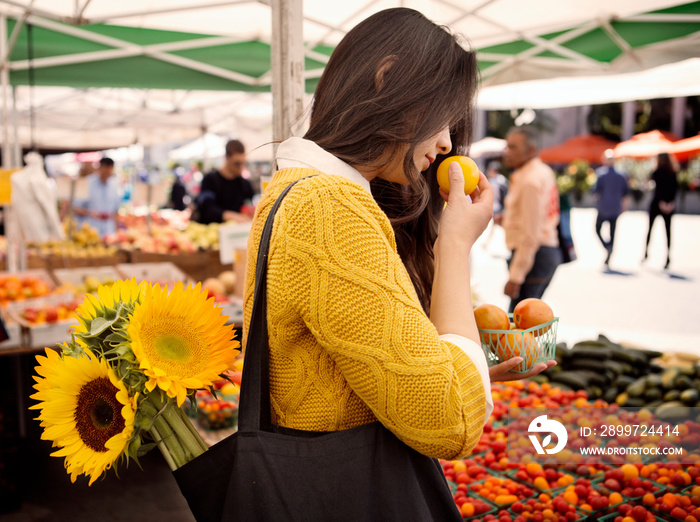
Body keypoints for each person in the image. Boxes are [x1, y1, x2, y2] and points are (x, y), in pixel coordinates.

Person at [243, 7, 554, 497]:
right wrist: (454, 243)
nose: (448, 141)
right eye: (443, 116)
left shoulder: (297, 190)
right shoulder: (329, 206)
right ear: (388, 79)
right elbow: (450, 423)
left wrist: (467, 373)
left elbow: (357, 372)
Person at [501, 126, 561, 313]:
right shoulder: (541, 171)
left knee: (518, 324)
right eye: (507, 146)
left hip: (534, 255)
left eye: (513, 147)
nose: (507, 152)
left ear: (531, 150)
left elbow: (531, 234)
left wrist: (515, 277)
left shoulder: (530, 181)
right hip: (541, 252)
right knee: (524, 323)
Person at [193, 139, 254, 224]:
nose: (241, 167)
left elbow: (248, 205)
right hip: (212, 232)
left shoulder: (244, 184)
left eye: (243, 163)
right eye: (237, 163)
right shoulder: (210, 180)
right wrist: (232, 216)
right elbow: (206, 209)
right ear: (227, 158)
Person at [593, 149, 630, 267]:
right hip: (615, 208)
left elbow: (595, 192)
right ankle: (609, 250)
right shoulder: (621, 174)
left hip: (603, 207)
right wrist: (624, 206)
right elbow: (626, 194)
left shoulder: (601, 173)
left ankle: (606, 246)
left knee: (597, 228)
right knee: (613, 232)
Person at [643, 152, 679, 269]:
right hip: (669, 204)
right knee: (668, 231)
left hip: (657, 203)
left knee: (650, 229)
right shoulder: (673, 172)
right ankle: (668, 256)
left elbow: (655, 188)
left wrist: (661, 202)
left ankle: (646, 253)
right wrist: (670, 203)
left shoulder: (657, 172)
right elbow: (675, 189)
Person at [73, 157, 122, 238]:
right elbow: (75, 208)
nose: (107, 174)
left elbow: (115, 212)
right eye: (105, 171)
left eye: (109, 171)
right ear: (100, 168)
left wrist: (117, 231)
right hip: (89, 232)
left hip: (109, 232)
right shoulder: (87, 183)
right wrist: (90, 213)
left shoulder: (114, 185)